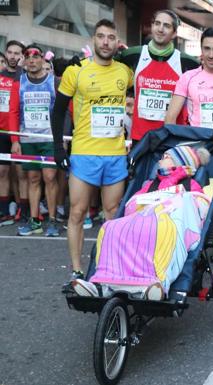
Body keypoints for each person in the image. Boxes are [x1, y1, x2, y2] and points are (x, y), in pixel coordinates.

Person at [71, 145, 211, 300]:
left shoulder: (191, 185)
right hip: (143, 221)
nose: (160, 160)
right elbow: (131, 205)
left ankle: (159, 284)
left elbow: (199, 208)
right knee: (110, 228)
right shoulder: (150, 184)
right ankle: (102, 283)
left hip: (170, 224)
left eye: (166, 157)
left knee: (163, 229)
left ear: (178, 163)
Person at [52, 19, 134, 280]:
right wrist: (58, 147)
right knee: (77, 212)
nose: (106, 42)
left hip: (115, 154)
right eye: (101, 36)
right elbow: (59, 110)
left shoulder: (125, 72)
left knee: (112, 214)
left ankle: (108, 267)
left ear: (117, 41)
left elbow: (149, 56)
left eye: (111, 37)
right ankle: (76, 271)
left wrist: (127, 51)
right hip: (84, 153)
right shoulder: (76, 71)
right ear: (93, 40)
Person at [164, 27, 213, 290]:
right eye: (206, 49)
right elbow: (170, 119)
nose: (211, 54)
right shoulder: (188, 78)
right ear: (201, 50)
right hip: (198, 153)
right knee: (193, 206)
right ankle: (187, 262)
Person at [115, 9, 199, 144]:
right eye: (157, 23)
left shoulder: (186, 61)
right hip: (140, 137)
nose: (160, 29)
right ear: (152, 26)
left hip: (171, 137)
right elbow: (106, 63)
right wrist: (79, 64)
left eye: (166, 26)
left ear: (175, 33)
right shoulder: (133, 54)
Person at [13, 44, 60, 237]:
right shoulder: (20, 82)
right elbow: (14, 112)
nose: (32, 60)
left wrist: (60, 138)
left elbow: (61, 112)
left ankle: (53, 220)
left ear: (43, 59)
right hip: (28, 138)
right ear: (24, 62)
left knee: (50, 178)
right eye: (28, 57)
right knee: (33, 179)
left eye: (36, 56)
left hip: (48, 137)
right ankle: (34, 221)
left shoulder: (53, 82)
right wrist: (16, 140)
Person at [0, 56, 20, 226]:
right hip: (1, 132)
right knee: (3, 172)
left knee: (20, 173)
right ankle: (5, 210)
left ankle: (22, 207)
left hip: (15, 132)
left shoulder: (19, 79)